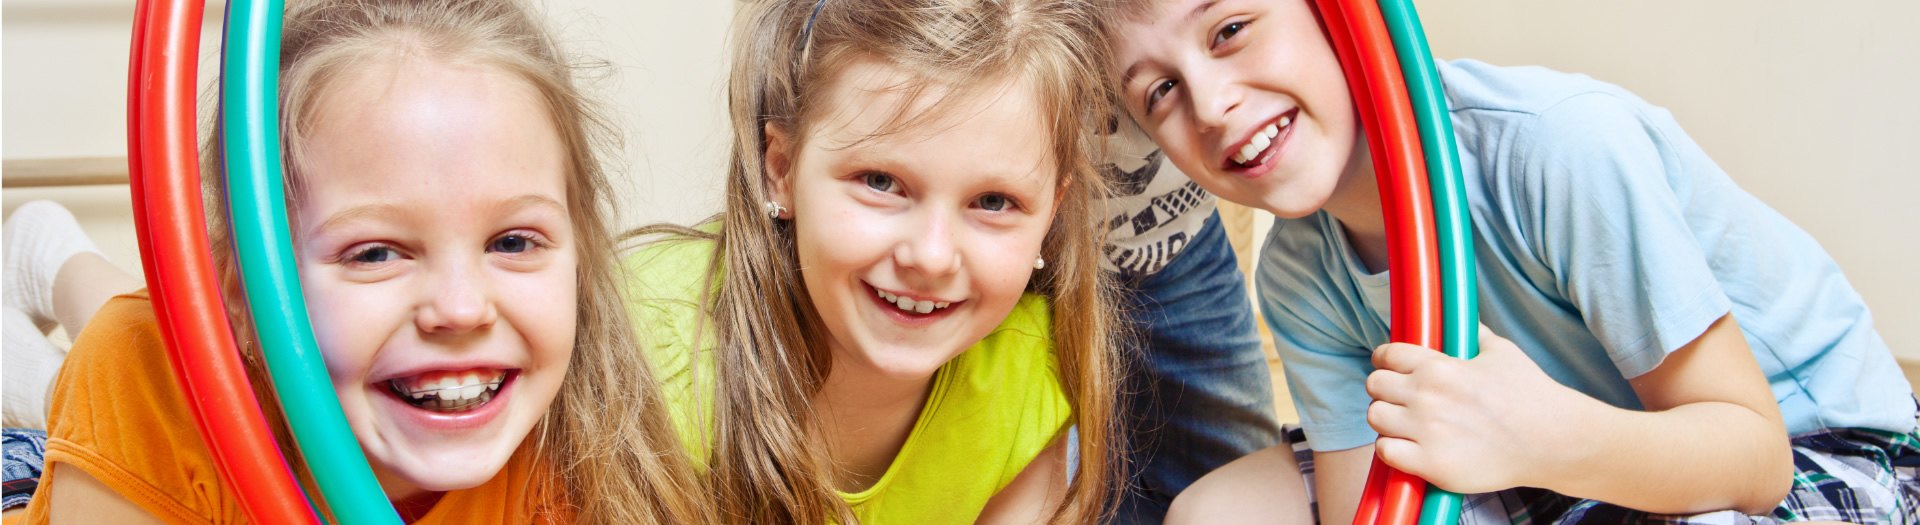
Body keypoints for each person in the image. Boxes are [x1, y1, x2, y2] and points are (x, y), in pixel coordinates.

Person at [1098, 0, 1919, 523]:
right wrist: (1526, 447)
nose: (1210, 104)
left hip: (1812, 449)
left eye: (1231, 30)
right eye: (1159, 93)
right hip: (1545, 457)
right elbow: (1370, 508)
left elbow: (1754, 460)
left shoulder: (1558, 147)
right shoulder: (1296, 274)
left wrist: (1543, 438)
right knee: (1221, 511)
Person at [18, 0, 704, 522]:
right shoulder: (138, 372)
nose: (462, 308)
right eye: (375, 252)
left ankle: (46, 271)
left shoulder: (577, 450)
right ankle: (49, 261)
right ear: (249, 299)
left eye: (513, 241)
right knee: (122, 349)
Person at [623, 0, 1124, 522]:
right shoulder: (647, 363)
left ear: (1050, 216)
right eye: (880, 182)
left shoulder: (1033, 371)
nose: (930, 257)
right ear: (782, 170)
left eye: (993, 202)